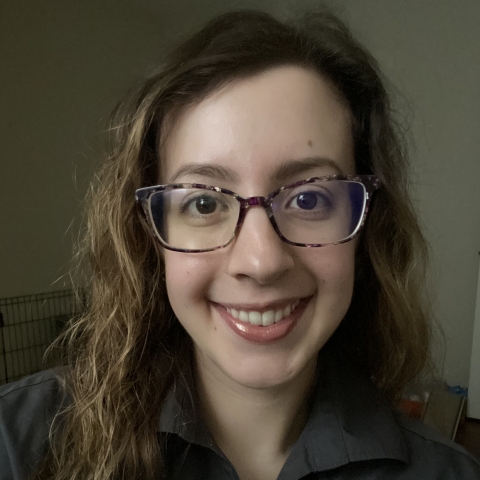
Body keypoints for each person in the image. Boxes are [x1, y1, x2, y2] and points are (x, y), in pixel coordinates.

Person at [0, 8, 479, 480]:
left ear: (367, 225)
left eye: (309, 198)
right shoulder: (18, 444)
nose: (262, 261)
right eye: (204, 204)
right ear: (149, 236)